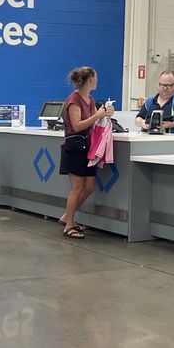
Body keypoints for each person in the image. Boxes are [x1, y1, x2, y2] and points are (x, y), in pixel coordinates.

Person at [59, 66, 113, 240]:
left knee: (89, 186)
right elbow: (77, 125)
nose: (97, 80)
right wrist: (98, 115)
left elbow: (93, 123)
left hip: (87, 148)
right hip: (75, 147)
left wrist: (105, 114)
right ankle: (69, 224)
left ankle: (67, 215)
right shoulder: (74, 100)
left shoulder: (90, 99)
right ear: (90, 79)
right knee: (77, 187)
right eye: (96, 77)